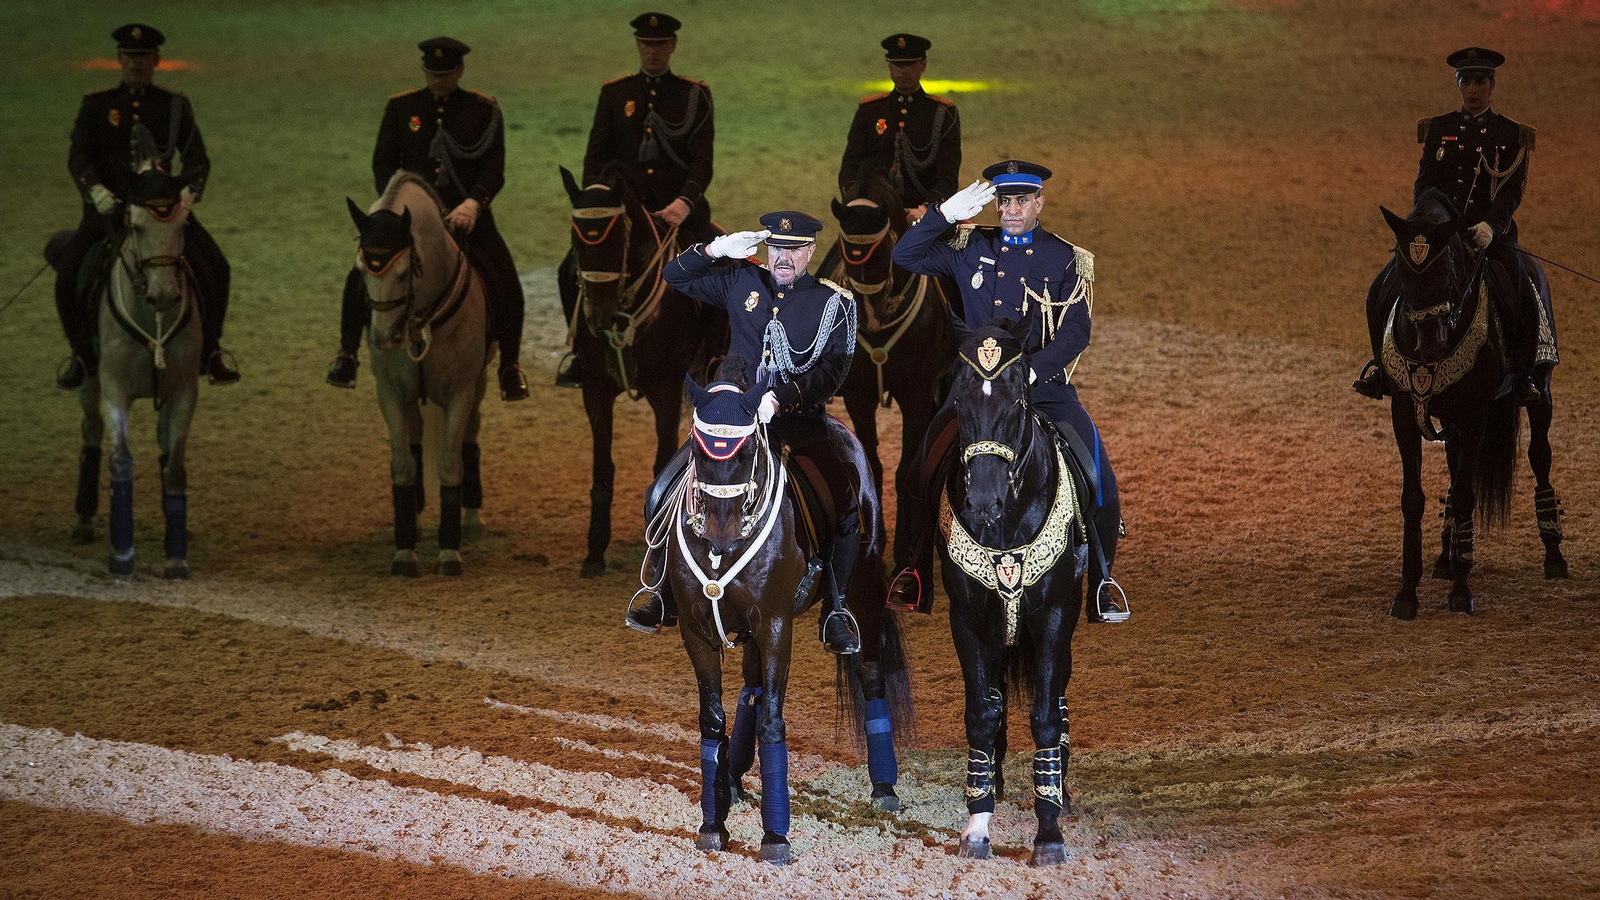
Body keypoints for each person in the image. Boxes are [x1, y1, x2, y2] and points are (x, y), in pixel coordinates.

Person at [888, 161, 1125, 620]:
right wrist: (943, 213)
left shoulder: (1065, 258)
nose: (1011, 210)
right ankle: (916, 572)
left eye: (1021, 201)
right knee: (923, 467)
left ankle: (1101, 580)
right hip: (978, 392)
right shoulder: (968, 245)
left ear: (1040, 202)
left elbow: (1077, 331)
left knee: (1099, 472)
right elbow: (905, 256)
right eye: (1004, 201)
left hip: (1042, 387)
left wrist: (1033, 372)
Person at [628, 212, 865, 655]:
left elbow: (834, 370)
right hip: (732, 420)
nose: (783, 258)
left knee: (846, 508)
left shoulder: (834, 302)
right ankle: (662, 593)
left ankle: (835, 608)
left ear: (811, 253)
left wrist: (783, 398)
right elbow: (673, 275)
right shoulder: (741, 280)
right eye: (777, 248)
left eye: (794, 250)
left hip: (797, 422)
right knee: (660, 491)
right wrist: (716, 250)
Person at [326, 37, 528, 400]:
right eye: (432, 74)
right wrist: (396, 199)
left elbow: (493, 168)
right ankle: (346, 354)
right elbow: (384, 162)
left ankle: (509, 367)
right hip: (411, 218)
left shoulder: (482, 110)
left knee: (505, 280)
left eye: (445, 74)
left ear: (459, 71)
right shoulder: (402, 108)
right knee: (363, 273)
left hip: (466, 216)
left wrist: (473, 203)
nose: (438, 81)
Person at [55, 23, 238, 389]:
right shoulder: (97, 105)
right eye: (129, 57)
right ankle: (80, 354)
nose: (136, 64)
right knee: (69, 273)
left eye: (142, 57)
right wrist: (94, 191)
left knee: (217, 266)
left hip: (161, 213)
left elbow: (197, 159)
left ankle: (211, 351)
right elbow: (79, 156)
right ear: (118, 60)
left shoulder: (174, 105)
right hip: (107, 213)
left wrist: (188, 195)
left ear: (156, 60)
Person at [1354, 47, 1540, 405]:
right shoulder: (1439, 130)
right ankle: (1382, 370)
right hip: (1442, 235)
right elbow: (1425, 184)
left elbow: (1511, 191)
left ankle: (1523, 373)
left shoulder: (1510, 134)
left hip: (1488, 235)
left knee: (1521, 288)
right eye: (1466, 81)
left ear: (1492, 85)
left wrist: (1490, 226)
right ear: (1458, 85)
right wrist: (1431, 223)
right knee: (1380, 287)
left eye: (1480, 82)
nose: (1472, 90)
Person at [558, 11, 716, 388]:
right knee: (568, 271)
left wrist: (685, 202)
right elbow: (596, 155)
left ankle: (711, 357)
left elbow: (702, 159)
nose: (652, 52)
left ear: (672, 46)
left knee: (719, 271)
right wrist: (599, 200)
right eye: (646, 44)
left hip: (677, 210)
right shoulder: (615, 93)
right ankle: (581, 354)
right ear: (637, 46)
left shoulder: (694, 94)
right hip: (623, 211)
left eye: (660, 45)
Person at [838, 33, 961, 218]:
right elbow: (850, 165)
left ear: (923, 65)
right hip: (873, 212)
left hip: (922, 214)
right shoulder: (870, 111)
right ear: (889, 66)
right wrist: (856, 201)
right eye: (897, 65)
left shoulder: (943, 113)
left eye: (910, 64)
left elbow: (948, 175)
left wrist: (928, 209)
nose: (903, 71)